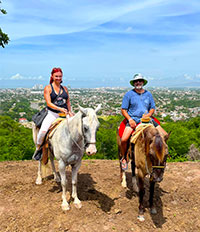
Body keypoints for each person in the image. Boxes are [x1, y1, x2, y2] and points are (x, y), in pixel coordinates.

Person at [120, 73, 168, 170]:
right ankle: (124, 157)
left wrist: (149, 115)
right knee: (124, 139)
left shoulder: (148, 94)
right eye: (136, 81)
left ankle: (160, 158)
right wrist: (130, 119)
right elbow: (123, 110)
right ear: (134, 83)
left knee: (165, 135)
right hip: (134, 119)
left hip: (147, 119)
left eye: (140, 81)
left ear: (143, 82)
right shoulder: (129, 95)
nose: (138, 83)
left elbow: (152, 108)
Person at [32, 67, 74, 160]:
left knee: (77, 128)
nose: (58, 78)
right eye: (56, 76)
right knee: (43, 131)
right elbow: (49, 103)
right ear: (52, 76)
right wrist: (60, 108)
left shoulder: (65, 89)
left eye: (60, 76)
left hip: (65, 113)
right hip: (53, 114)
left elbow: (68, 102)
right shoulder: (48, 88)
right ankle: (38, 148)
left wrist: (70, 112)